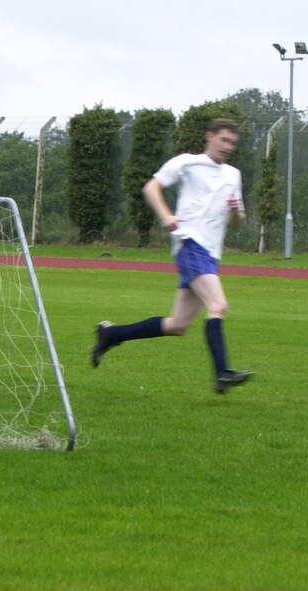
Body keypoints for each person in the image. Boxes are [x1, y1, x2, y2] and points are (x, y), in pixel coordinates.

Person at [91, 118, 254, 394]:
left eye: (233, 143)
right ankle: (223, 372)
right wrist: (166, 215)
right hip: (190, 244)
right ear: (209, 136)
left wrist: (237, 211)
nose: (228, 147)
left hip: (211, 254)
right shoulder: (188, 162)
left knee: (177, 325)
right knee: (218, 305)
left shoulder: (233, 175)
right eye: (224, 140)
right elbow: (151, 187)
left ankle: (111, 334)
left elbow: (238, 222)